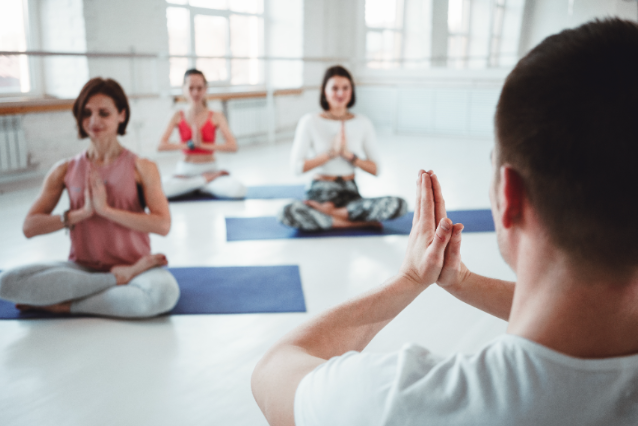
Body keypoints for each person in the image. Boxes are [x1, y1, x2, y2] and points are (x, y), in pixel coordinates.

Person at [252, 18, 638, 425]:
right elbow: (588, 310)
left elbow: (274, 370)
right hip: (320, 194)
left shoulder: (405, 402)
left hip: (349, 195)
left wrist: (409, 279)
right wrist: (463, 281)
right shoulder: (312, 124)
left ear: (510, 196)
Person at [0, 78, 180, 318]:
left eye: (104, 113)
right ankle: (114, 281)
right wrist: (80, 214)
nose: (94, 121)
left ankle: (65, 305)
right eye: (87, 113)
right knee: (7, 282)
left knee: (162, 295)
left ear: (122, 115)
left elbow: (163, 225)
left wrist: (106, 211)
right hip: (82, 270)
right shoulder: (64, 169)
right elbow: (29, 227)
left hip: (137, 268)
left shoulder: (142, 167)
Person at [278, 65, 407, 230]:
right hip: (319, 192)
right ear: (324, 91)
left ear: (351, 90)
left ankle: (330, 215)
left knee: (399, 204)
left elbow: (376, 169)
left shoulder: (363, 122)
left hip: (350, 193)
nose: (340, 93)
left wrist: (350, 156)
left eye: (345, 88)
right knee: (286, 212)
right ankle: (353, 222)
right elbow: (297, 168)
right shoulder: (309, 121)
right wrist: (331, 153)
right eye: (334, 88)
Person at [158, 68, 247, 199]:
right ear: (184, 89)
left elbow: (233, 146)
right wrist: (189, 145)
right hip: (185, 171)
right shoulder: (177, 115)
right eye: (191, 88)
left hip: (210, 168)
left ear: (205, 89)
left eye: (199, 88)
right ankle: (204, 181)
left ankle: (194, 185)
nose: (195, 92)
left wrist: (202, 145)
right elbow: (161, 145)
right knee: (159, 190)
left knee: (239, 189)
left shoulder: (216, 115)